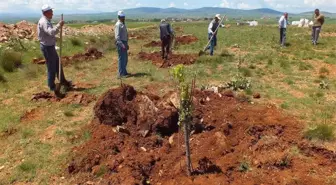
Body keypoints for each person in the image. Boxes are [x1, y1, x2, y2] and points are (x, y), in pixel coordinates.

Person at [37, 4, 71, 97]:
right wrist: (59, 25)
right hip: (47, 48)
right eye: (51, 11)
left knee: (57, 64)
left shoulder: (46, 20)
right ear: (46, 12)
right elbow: (51, 32)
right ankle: (52, 87)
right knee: (51, 67)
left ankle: (63, 81)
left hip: (50, 46)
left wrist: (54, 39)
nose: (52, 13)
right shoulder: (44, 22)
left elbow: (49, 34)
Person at [115, 10, 129, 78]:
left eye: (123, 16)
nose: (123, 18)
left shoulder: (122, 23)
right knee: (121, 59)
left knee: (125, 59)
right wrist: (122, 45)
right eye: (121, 17)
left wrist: (126, 44)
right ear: (118, 17)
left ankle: (124, 72)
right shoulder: (118, 25)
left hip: (124, 42)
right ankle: (121, 74)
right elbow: (117, 37)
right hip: (121, 43)